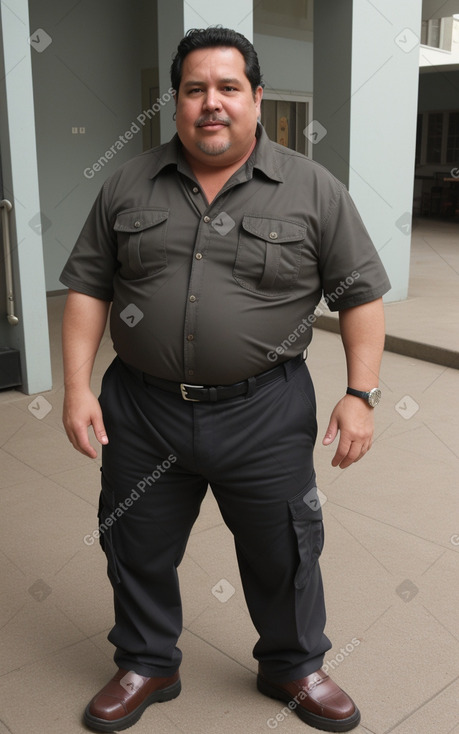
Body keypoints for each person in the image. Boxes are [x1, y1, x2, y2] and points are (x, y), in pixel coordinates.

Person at [61, 26, 390, 733]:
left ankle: (293, 664)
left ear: (256, 96)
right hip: (141, 410)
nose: (212, 103)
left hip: (264, 410)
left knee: (285, 545)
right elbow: (89, 286)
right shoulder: (127, 182)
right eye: (195, 89)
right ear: (175, 101)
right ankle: (147, 661)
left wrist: (360, 395)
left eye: (228, 88)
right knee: (135, 540)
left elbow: (359, 295)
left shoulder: (311, 188)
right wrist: (77, 386)